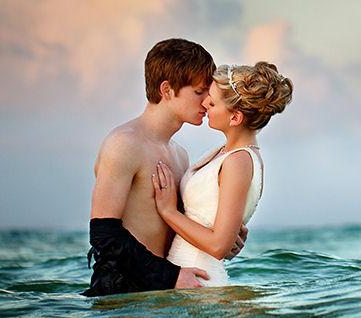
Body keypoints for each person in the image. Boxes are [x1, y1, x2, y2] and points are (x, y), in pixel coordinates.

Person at [84, 38, 248, 297]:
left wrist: (221, 241)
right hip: (122, 295)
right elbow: (104, 235)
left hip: (164, 294)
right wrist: (171, 276)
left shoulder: (180, 155)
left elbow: (175, 228)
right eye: (199, 92)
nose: (208, 102)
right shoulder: (123, 144)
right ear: (167, 90)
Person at [153, 62, 293, 286]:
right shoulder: (224, 153)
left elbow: (218, 246)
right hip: (183, 275)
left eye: (213, 101)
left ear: (235, 118)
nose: (205, 103)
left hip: (201, 282)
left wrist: (168, 211)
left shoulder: (239, 161)